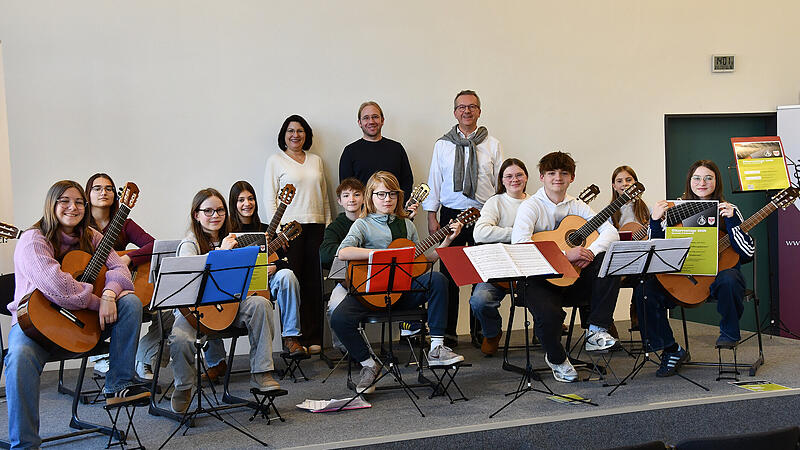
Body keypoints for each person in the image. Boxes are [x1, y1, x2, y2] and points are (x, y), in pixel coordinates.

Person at [6, 180, 148, 449]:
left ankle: (118, 384)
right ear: (52, 205)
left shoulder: (92, 236)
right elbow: (58, 286)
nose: (73, 207)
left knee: (129, 302)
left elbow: (120, 270)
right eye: (65, 201)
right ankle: (25, 444)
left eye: (79, 202)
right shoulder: (33, 240)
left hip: (83, 324)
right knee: (19, 357)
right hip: (36, 325)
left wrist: (109, 294)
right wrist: (98, 302)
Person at [330, 171, 464, 394]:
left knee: (438, 279)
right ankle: (369, 365)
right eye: (381, 194)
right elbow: (343, 252)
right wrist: (380, 256)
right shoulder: (362, 225)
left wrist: (447, 240)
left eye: (392, 194)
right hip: (370, 291)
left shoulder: (407, 225)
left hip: (402, 292)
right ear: (370, 196)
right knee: (339, 319)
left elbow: (422, 263)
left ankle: (437, 347)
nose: (387, 199)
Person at [634, 160, 754, 377]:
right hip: (683, 276)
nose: (702, 182)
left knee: (730, 278)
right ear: (689, 182)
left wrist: (733, 223)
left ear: (716, 182)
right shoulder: (675, 208)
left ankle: (729, 332)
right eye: (697, 178)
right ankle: (671, 349)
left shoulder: (729, 209)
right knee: (645, 289)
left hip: (717, 277)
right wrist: (654, 221)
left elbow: (747, 253)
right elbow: (656, 251)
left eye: (709, 178)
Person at [168, 188, 280, 414]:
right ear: (196, 215)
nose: (215, 215)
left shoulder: (235, 239)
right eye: (208, 211)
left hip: (231, 306)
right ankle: (184, 385)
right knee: (179, 338)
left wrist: (261, 257)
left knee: (260, 305)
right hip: (196, 312)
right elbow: (192, 282)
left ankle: (261, 373)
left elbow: (247, 277)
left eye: (219, 210)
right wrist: (221, 253)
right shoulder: (189, 244)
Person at [510, 152, 620, 382]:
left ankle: (596, 329)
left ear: (572, 177)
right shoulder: (531, 206)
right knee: (550, 315)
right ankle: (557, 359)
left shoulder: (577, 206)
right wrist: (564, 255)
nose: (557, 178)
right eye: (551, 173)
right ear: (541, 177)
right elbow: (520, 243)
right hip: (539, 279)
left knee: (607, 262)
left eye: (564, 173)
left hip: (572, 280)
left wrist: (591, 251)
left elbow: (610, 232)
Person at [422, 90, 504, 346]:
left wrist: (501, 215)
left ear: (479, 111)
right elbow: (435, 180)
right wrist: (432, 216)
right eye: (461, 107)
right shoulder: (442, 144)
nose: (466, 111)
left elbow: (501, 183)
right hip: (450, 214)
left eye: (472, 107)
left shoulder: (493, 144)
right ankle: (446, 333)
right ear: (454, 112)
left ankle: (481, 332)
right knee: (449, 276)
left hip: (484, 215)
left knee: (483, 275)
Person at [264, 114, 331, 353]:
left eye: (300, 131)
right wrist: (275, 231)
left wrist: (328, 225)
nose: (295, 135)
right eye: (291, 131)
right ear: (284, 134)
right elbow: (270, 198)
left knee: (314, 285)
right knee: (292, 283)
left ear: (307, 135)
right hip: (289, 231)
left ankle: (314, 339)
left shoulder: (316, 160)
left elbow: (323, 196)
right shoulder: (275, 160)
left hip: (316, 227)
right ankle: (294, 339)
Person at [83, 173, 159, 379]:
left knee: (166, 313)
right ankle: (99, 357)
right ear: (87, 194)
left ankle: (143, 357)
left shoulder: (124, 223)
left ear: (116, 195)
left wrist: (129, 259)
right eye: (97, 188)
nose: (103, 192)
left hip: (120, 287)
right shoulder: (79, 225)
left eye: (108, 188)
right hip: (93, 290)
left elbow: (154, 245)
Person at [228, 180, 306, 357]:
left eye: (250, 198)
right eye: (241, 200)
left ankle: (291, 337)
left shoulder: (267, 230)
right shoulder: (229, 232)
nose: (247, 204)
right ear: (234, 204)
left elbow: (287, 262)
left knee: (287, 275)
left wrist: (274, 266)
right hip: (239, 289)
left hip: (266, 284)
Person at [468, 158, 530, 355]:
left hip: (529, 269)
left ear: (526, 177)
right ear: (502, 180)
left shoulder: (536, 202)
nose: (514, 179)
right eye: (509, 176)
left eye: (519, 175)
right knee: (479, 300)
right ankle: (492, 332)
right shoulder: (495, 202)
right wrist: (519, 233)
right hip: (499, 269)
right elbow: (480, 233)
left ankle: (547, 328)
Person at [319, 177, 365, 352]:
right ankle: (348, 349)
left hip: (372, 280)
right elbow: (324, 254)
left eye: (356, 194)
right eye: (346, 195)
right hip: (345, 282)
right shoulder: (335, 227)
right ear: (339, 201)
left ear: (364, 197)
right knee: (334, 309)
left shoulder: (373, 221)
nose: (351, 199)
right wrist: (352, 252)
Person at [339, 101, 414, 199]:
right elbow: (346, 188)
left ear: (382, 120)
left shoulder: (396, 148)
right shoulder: (350, 152)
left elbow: (407, 182)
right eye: (366, 118)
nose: (371, 121)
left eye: (375, 117)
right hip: (362, 213)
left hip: (393, 212)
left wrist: (400, 207)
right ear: (359, 123)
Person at [609, 166, 651, 331]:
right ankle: (607, 322)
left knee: (649, 276)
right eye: (619, 181)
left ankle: (639, 314)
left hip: (641, 261)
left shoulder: (646, 211)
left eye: (629, 180)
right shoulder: (610, 213)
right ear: (614, 186)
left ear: (635, 183)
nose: (624, 184)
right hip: (620, 263)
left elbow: (652, 235)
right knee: (606, 280)